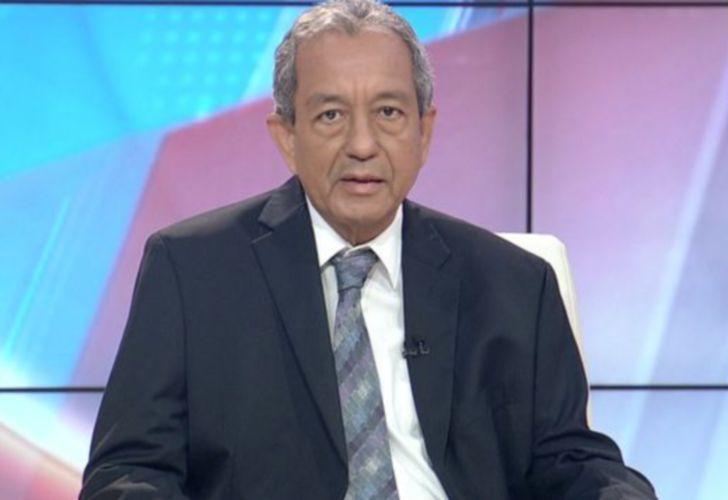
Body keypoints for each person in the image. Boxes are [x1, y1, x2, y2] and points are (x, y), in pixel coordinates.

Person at [81, 1, 656, 498]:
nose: (362, 144)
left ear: (424, 132)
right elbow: (128, 473)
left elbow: (573, 462)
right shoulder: (193, 271)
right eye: (331, 115)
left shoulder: (515, 283)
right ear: (286, 136)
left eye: (388, 113)